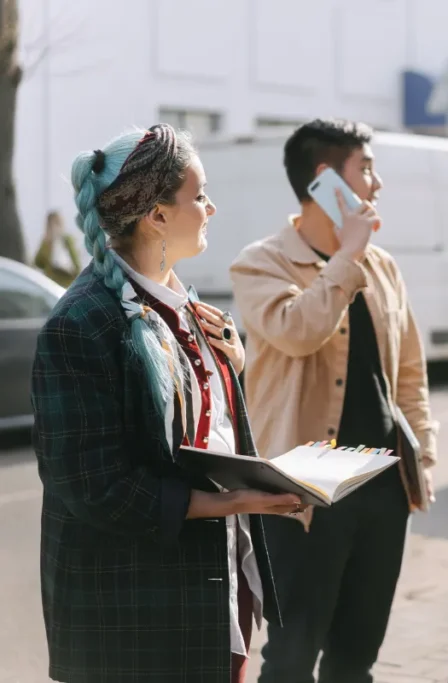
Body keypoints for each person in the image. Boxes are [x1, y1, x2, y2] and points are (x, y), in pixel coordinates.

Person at [31, 124, 306, 683]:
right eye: (199, 196)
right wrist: (232, 502)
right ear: (156, 215)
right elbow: (94, 487)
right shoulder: (80, 324)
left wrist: (234, 365)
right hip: (132, 612)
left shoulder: (182, 302)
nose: (211, 207)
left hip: (209, 587)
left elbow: (196, 426)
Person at [229, 118, 438, 683]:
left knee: (355, 660)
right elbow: (299, 331)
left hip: (383, 484)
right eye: (366, 169)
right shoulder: (260, 263)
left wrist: (423, 454)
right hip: (303, 491)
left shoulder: (382, 266)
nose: (377, 183)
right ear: (326, 180)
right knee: (291, 657)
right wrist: (347, 256)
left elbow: (409, 370)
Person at [33, 210, 82, 287]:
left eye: (56, 223)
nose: (54, 227)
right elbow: (38, 263)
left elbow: (77, 264)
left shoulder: (67, 240)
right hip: (50, 284)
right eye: (51, 225)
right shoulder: (46, 242)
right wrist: (47, 243)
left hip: (66, 284)